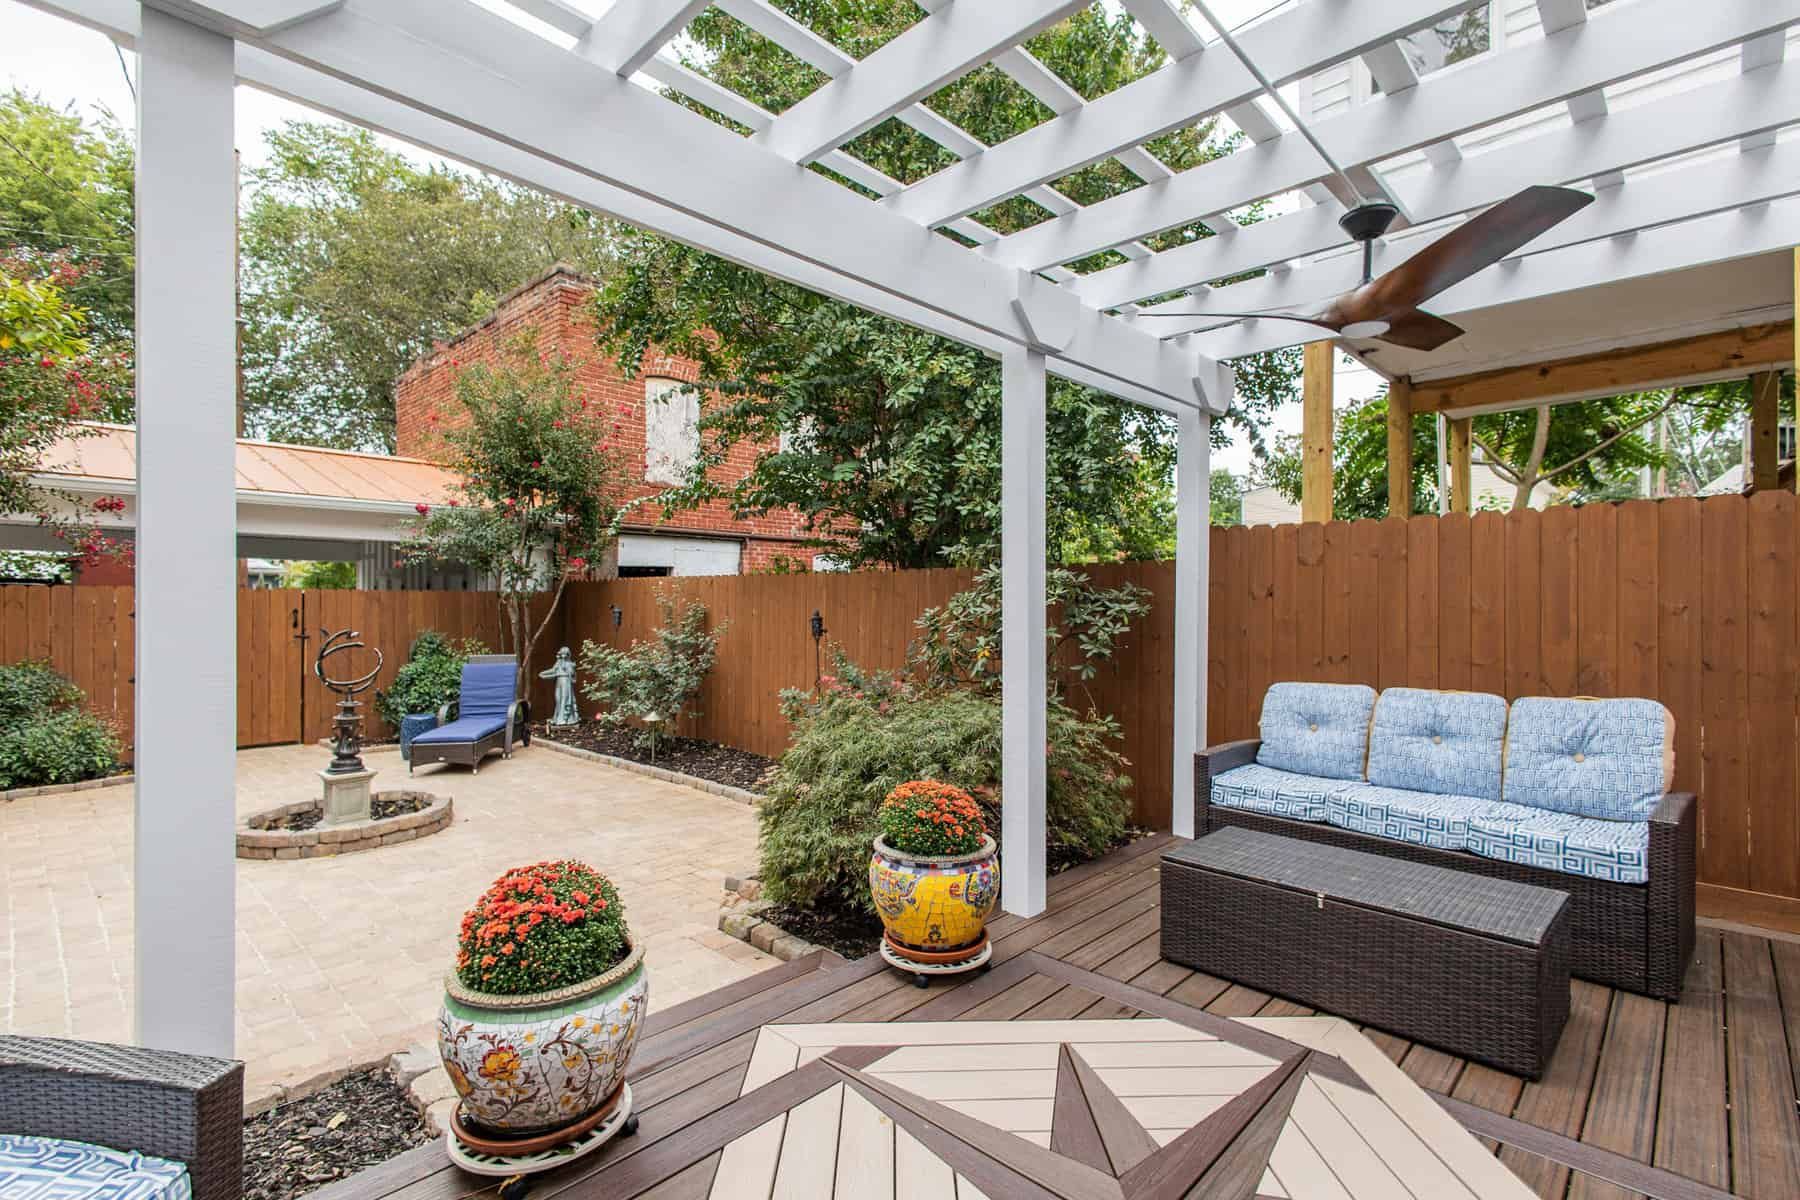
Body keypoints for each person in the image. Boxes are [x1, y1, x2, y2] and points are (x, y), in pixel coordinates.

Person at [539, 646, 579, 726]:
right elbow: (553, 670)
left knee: (565, 699)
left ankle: (564, 719)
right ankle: (557, 718)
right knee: (558, 699)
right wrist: (543, 673)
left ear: (568, 654)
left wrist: (568, 670)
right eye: (562, 654)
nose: (563, 656)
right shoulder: (558, 662)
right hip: (559, 682)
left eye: (565, 654)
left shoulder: (570, 664)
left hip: (566, 682)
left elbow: (573, 676)